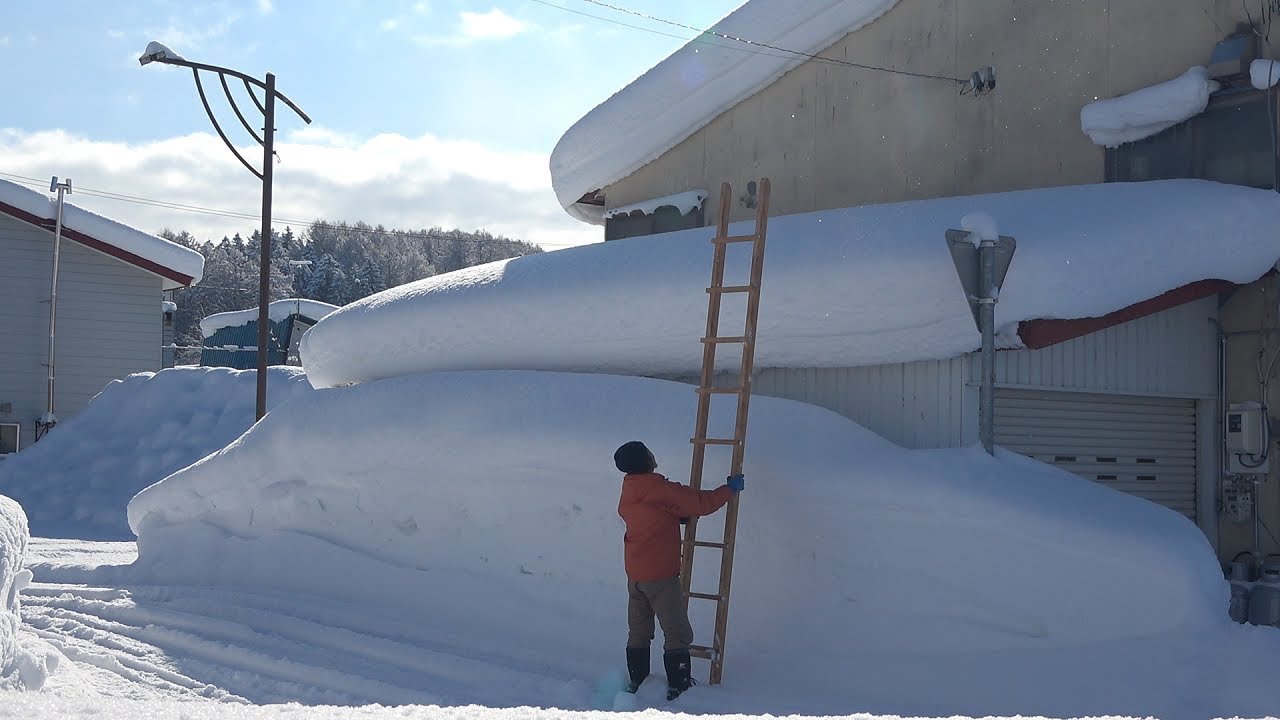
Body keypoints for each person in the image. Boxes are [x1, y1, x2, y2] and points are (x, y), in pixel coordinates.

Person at [613, 440, 745, 700]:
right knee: (677, 631)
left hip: (636, 574)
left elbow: (652, 513)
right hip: (661, 575)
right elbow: (701, 502)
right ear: (646, 460)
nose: (652, 454)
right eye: (648, 452)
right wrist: (729, 489)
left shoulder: (629, 488)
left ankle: (637, 680)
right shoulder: (660, 489)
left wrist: (674, 515)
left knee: (639, 630)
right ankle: (679, 685)